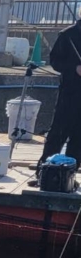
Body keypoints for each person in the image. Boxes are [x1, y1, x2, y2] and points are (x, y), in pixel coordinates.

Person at [38, 16, 81, 167]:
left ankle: (71, 170)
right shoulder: (67, 35)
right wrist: (74, 68)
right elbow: (55, 61)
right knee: (59, 131)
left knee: (79, 136)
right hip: (70, 91)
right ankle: (45, 168)